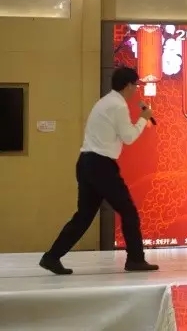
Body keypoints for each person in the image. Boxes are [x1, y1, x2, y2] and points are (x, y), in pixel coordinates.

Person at [39, 67, 159, 274]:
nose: (136, 90)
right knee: (128, 211)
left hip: (86, 162)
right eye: (135, 85)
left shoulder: (105, 102)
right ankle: (135, 259)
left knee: (84, 216)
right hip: (101, 165)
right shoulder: (118, 106)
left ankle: (52, 257)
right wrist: (143, 118)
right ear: (128, 85)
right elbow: (129, 137)